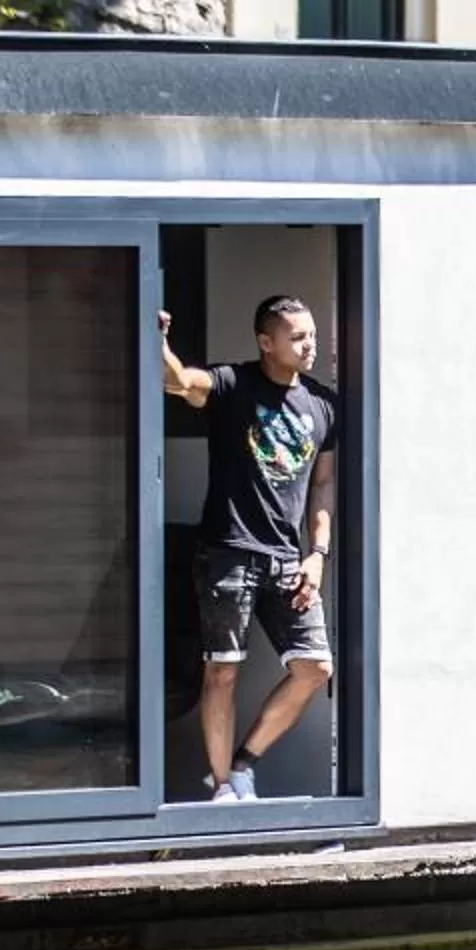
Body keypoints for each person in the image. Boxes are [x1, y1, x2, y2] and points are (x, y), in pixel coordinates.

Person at [159, 297, 340, 801]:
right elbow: (178, 381)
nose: (310, 345)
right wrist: (158, 341)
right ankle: (220, 788)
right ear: (267, 343)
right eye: (298, 337)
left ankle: (243, 764)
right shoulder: (234, 385)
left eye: (311, 335)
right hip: (229, 551)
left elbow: (322, 485)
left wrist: (317, 553)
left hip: (289, 560)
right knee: (222, 671)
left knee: (315, 667)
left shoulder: (324, 405)